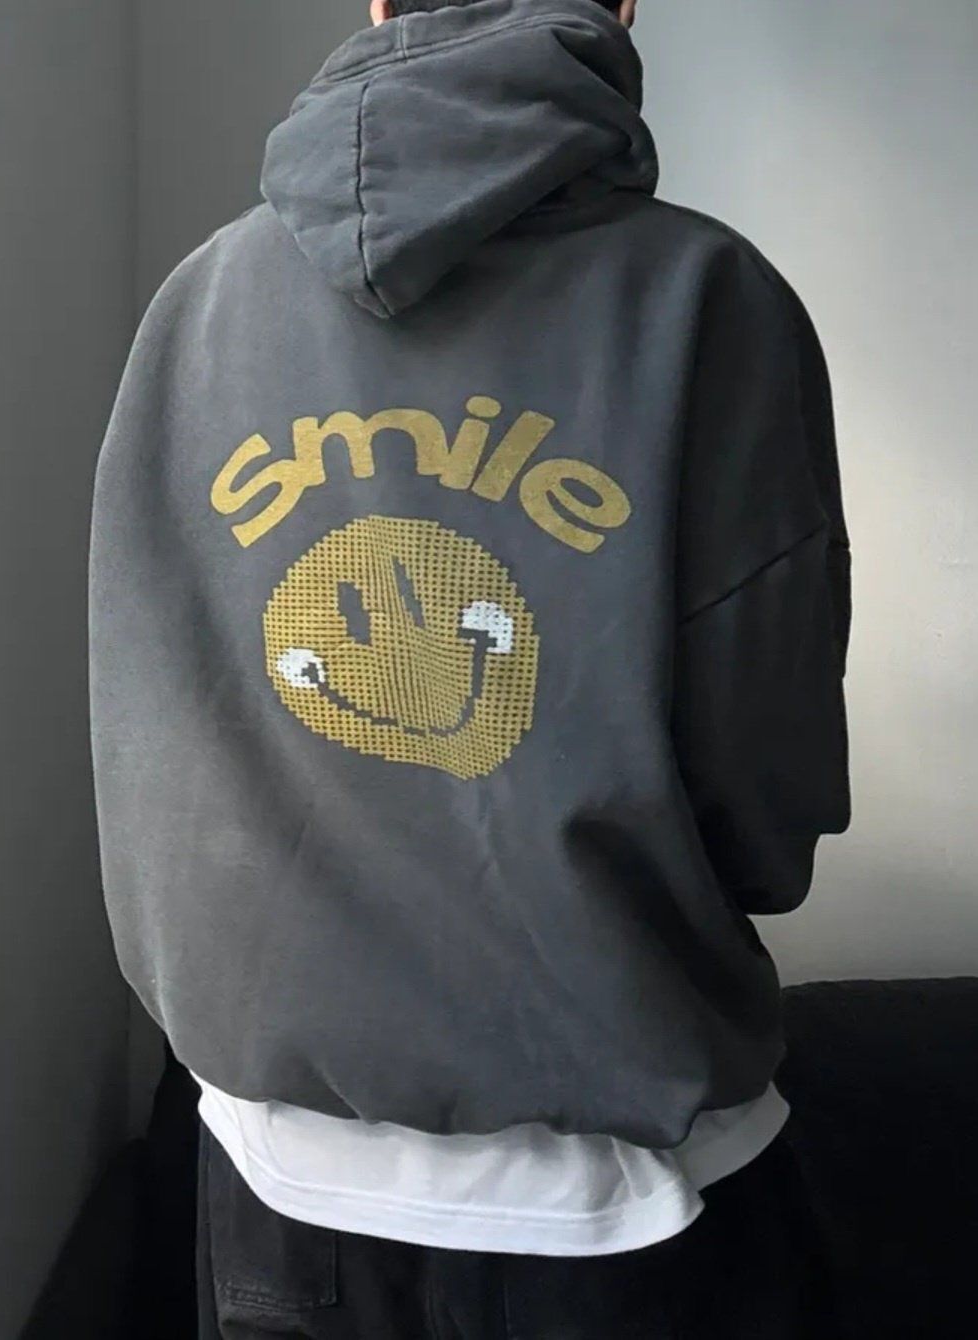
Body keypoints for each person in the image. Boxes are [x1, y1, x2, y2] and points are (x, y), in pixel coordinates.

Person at [88, 0, 853, 1335]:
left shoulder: (196, 303)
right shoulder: (705, 298)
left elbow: (154, 740)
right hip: (623, 1204)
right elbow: (763, 818)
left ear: (378, 1)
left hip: (276, 1194)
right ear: (621, 3)